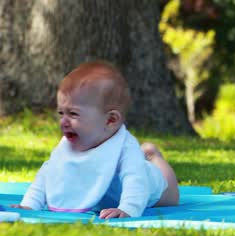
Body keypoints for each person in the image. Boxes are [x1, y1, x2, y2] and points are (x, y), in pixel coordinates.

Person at [11, 60, 179, 219]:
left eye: (73, 114)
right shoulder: (70, 143)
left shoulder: (125, 147)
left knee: (171, 197)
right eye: (61, 113)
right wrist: (30, 204)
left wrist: (128, 208)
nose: (63, 121)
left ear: (110, 120)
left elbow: (136, 180)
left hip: (153, 190)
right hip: (105, 200)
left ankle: (153, 155)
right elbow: (48, 174)